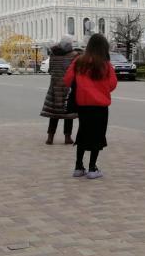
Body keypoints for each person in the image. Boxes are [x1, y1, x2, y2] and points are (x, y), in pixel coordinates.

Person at [63, 34, 117, 179]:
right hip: (100, 105)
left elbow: (67, 80)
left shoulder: (79, 61)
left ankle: (78, 167)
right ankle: (93, 168)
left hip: (83, 104)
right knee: (97, 136)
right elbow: (112, 84)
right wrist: (101, 90)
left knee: (83, 133)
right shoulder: (105, 64)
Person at [39, 37, 78, 145]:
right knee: (68, 113)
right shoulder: (74, 55)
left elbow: (50, 70)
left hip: (55, 87)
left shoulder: (53, 54)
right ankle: (67, 137)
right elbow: (75, 71)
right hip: (68, 87)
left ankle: (50, 137)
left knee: (53, 113)